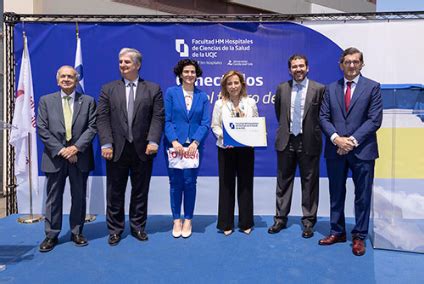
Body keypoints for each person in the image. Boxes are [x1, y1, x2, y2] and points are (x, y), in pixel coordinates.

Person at [319, 47, 383, 256]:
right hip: (335, 150)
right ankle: (337, 232)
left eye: (356, 61)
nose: (352, 65)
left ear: (362, 64)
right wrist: (337, 139)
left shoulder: (373, 87)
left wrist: (351, 141)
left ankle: (359, 236)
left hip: (362, 151)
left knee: (362, 196)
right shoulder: (330, 89)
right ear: (341, 65)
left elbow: (374, 120)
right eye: (348, 62)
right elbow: (323, 117)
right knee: (336, 194)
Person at [97, 48, 164, 246]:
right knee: (115, 192)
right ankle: (115, 230)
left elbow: (158, 117)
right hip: (116, 150)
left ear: (137, 65)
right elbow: (102, 118)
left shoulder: (153, 89)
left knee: (140, 191)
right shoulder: (108, 89)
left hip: (143, 150)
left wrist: (153, 141)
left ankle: (137, 227)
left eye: (127, 62)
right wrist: (106, 143)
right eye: (120, 62)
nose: (122, 65)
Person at [37, 65, 96, 252]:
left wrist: (76, 148)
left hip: (80, 157)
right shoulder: (46, 101)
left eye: (70, 76)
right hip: (55, 158)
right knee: (53, 198)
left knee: (78, 196)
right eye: (63, 76)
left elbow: (92, 127)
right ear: (57, 80)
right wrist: (63, 151)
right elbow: (42, 129)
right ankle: (51, 235)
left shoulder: (87, 101)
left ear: (76, 80)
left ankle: (77, 231)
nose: (66, 79)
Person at [268, 54, 325, 238]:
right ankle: (280, 219)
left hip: (309, 141)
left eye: (301, 66)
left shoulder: (319, 89)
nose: (298, 69)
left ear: (307, 68)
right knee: (283, 181)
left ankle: (308, 222)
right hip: (286, 141)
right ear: (289, 69)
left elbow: (322, 116)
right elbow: (279, 114)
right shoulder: (282, 88)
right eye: (294, 66)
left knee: (309, 183)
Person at [164, 59, 210, 238]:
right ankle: (176, 219)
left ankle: (188, 219)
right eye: (186, 72)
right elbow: (167, 120)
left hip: (194, 148)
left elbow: (205, 123)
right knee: (175, 184)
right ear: (180, 74)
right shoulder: (171, 93)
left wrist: (195, 143)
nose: (190, 75)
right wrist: (175, 141)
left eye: (193, 72)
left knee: (190, 183)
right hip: (173, 146)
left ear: (197, 74)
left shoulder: (203, 96)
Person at [211, 70, 258, 236]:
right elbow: (215, 126)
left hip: (246, 150)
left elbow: (256, 124)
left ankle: (246, 222)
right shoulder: (219, 104)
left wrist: (256, 136)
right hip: (226, 149)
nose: (233, 86)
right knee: (226, 186)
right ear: (225, 86)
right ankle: (226, 223)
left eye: (236, 83)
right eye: (229, 83)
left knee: (246, 185)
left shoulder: (250, 102)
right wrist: (226, 138)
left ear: (242, 84)